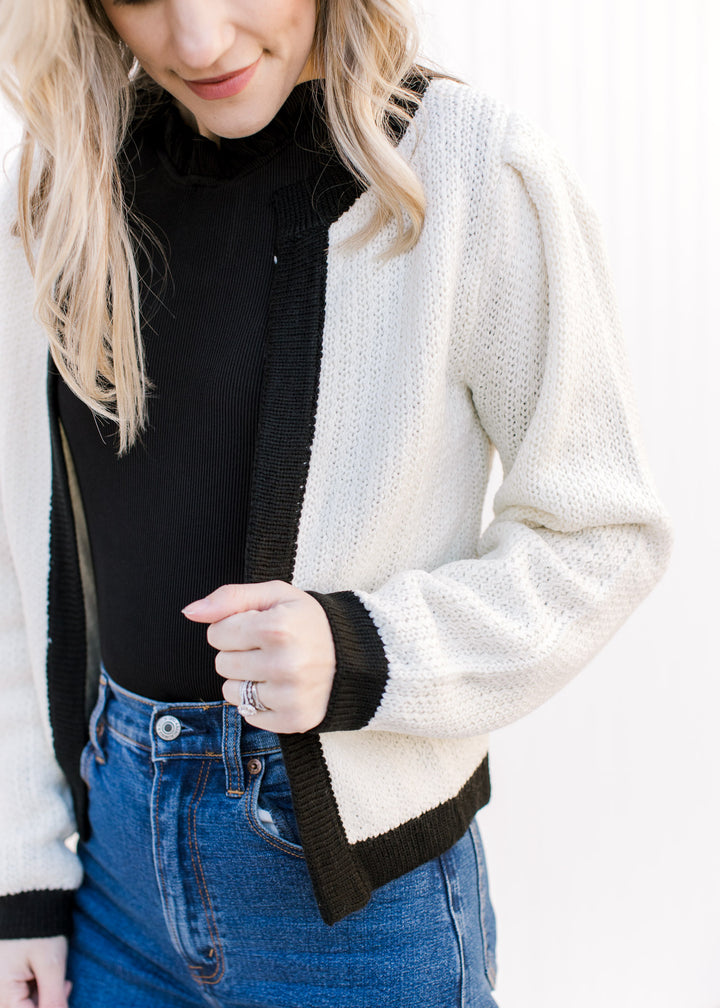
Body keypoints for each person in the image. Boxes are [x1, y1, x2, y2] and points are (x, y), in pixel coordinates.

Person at [0, 0, 672, 1005]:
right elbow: (22, 557)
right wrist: (26, 877)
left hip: (352, 907)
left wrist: (363, 650)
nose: (198, 41)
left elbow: (600, 534)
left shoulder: (471, 170)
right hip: (113, 881)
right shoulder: (66, 178)